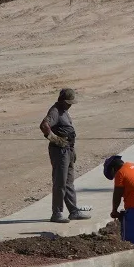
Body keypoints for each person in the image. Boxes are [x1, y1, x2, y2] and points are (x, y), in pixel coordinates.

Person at [39, 88, 90, 224]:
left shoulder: (64, 111)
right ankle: (57, 213)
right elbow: (44, 125)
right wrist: (55, 139)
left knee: (68, 182)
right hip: (60, 151)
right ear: (62, 100)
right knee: (60, 182)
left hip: (68, 150)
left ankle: (73, 211)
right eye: (68, 102)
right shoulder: (55, 111)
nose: (70, 105)